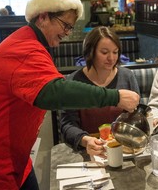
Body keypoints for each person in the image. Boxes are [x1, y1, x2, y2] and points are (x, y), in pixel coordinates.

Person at [0, 0, 139, 190]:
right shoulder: (24, 49)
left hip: (15, 156)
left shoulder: (30, 43)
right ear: (43, 17)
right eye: (65, 25)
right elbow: (54, 92)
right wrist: (115, 96)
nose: (67, 33)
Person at [60, 26, 140, 158]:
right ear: (91, 52)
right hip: (87, 151)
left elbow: (136, 115)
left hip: (122, 150)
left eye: (115, 52)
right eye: (104, 52)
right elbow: (67, 124)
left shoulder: (127, 76)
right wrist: (85, 141)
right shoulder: (73, 81)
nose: (111, 58)